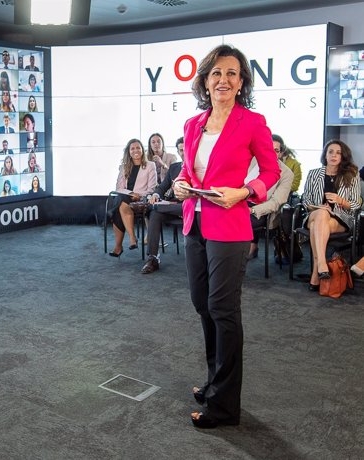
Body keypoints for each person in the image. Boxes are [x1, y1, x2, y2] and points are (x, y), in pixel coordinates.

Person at [171, 45, 280, 429]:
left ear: (241, 82)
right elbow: (188, 172)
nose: (223, 80)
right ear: (205, 80)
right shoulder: (192, 124)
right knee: (202, 304)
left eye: (232, 73)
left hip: (230, 226)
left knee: (223, 309)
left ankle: (224, 405)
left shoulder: (252, 122)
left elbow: (271, 173)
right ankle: (215, 380)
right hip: (194, 223)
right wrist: (182, 185)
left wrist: (247, 192)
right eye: (216, 73)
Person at [301, 140, 361, 291]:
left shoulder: (351, 175)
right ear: (325, 155)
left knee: (318, 224)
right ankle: (322, 262)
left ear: (343, 157)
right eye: (331, 152)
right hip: (314, 214)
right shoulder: (314, 174)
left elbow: (356, 204)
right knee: (321, 213)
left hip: (340, 218)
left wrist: (340, 200)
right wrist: (316, 207)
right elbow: (305, 198)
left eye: (338, 153)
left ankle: (317, 271)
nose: (334, 155)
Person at [141, 137, 184, 274]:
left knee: (154, 208)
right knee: (155, 214)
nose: (183, 153)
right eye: (180, 150)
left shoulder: (199, 168)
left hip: (191, 205)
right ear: (177, 151)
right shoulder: (174, 167)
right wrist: (156, 195)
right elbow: (162, 187)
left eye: (186, 149)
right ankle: (153, 258)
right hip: (173, 205)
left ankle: (153, 206)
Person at [108, 138, 157, 257]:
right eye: (132, 148)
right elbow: (119, 187)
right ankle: (132, 238)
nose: (136, 150)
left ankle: (119, 246)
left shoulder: (150, 165)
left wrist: (138, 195)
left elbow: (152, 188)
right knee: (121, 200)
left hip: (141, 199)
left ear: (142, 150)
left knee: (117, 206)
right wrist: (130, 194)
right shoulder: (124, 167)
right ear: (128, 152)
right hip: (127, 198)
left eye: (138, 148)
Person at [245, 142, 294, 259]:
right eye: (268, 148)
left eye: (276, 150)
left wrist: (251, 210)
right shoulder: (251, 161)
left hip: (261, 210)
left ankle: (236, 255)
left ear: (281, 154)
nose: (271, 152)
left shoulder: (286, 173)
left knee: (237, 221)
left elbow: (276, 202)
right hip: (238, 202)